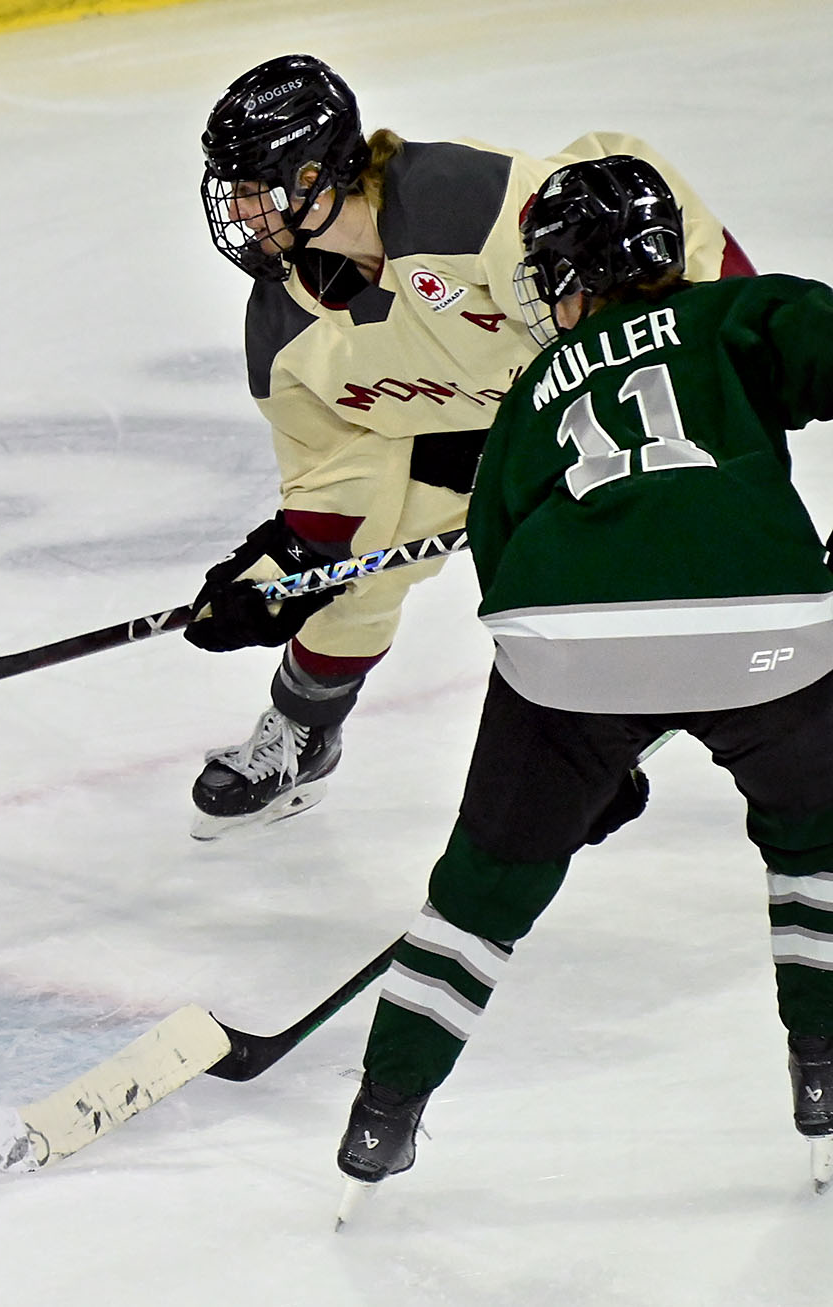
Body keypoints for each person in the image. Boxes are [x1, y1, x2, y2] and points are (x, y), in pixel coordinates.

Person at [333, 156, 833, 1209]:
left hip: (562, 651)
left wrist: (578, 761)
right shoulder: (733, 312)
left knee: (478, 888)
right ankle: (823, 1069)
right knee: (816, 839)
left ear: (576, 272)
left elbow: (499, 550)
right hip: (761, 628)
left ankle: (381, 1112)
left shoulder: (528, 394)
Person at [181, 54, 753, 839]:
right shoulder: (282, 330)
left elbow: (618, 243)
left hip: (587, 381)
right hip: (467, 421)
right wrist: (285, 572)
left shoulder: (463, 202)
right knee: (362, 557)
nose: (240, 212)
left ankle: (598, 730)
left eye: (254, 187)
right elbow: (331, 474)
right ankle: (303, 729)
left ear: (316, 174)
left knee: (595, 545)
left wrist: (710, 344)